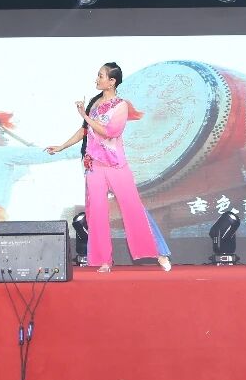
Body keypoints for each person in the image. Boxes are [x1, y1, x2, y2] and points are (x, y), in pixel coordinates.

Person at [46, 63, 171, 273]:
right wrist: (61, 146)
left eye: (101, 76)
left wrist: (85, 116)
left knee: (133, 209)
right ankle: (104, 260)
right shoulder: (94, 103)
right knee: (96, 212)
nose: (97, 79)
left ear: (112, 81)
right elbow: (85, 131)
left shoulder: (121, 106)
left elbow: (110, 132)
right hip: (93, 165)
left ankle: (159, 253)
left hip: (116, 165)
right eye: (98, 75)